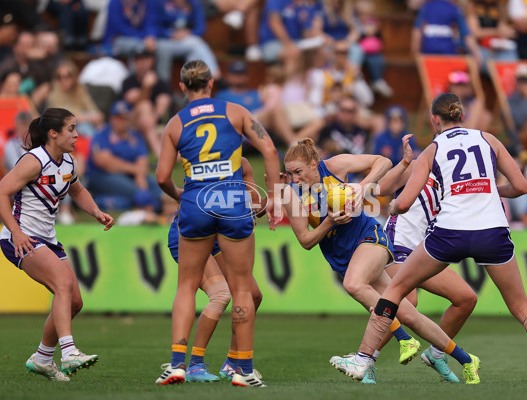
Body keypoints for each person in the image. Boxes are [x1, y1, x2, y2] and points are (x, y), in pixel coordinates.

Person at [340, 92, 527, 384]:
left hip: (450, 233)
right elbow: (522, 186)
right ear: (462, 115)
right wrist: (487, 190)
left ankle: (363, 359)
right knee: (522, 307)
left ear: (433, 120)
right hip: (492, 232)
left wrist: (393, 206)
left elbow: (402, 203)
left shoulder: (432, 150)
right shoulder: (489, 139)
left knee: (396, 290)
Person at [282, 137, 479, 384]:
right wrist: (329, 222)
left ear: (314, 164)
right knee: (407, 311)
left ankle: (401, 341)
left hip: (369, 237)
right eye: (289, 174)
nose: (295, 179)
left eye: (298, 172)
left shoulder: (335, 166)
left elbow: (382, 161)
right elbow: (306, 240)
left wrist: (362, 186)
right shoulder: (291, 195)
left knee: (354, 285)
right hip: (343, 256)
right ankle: (466, 359)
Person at [154, 59, 281, 387]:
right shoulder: (235, 111)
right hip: (232, 201)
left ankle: (178, 363)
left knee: (186, 287)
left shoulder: (175, 124)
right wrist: (277, 197)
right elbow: (268, 147)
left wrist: (180, 194)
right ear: (212, 83)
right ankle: (243, 369)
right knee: (241, 289)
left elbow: (162, 177)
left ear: (182, 87)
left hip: (196, 202)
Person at [0, 107, 115, 381]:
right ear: (53, 133)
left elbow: (77, 189)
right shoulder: (33, 160)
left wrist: (95, 211)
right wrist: (16, 232)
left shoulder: (69, 162)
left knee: (74, 302)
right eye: (71, 129)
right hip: (20, 238)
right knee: (63, 283)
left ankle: (43, 358)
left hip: (47, 239)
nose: (76, 134)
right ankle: (69, 353)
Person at [378, 137, 477, 383]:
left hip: (426, 251)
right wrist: (403, 163)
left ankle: (436, 354)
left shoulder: (453, 182)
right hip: (397, 244)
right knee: (406, 300)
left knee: (465, 298)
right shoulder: (419, 166)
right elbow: (380, 189)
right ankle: (366, 358)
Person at [167, 157, 266, 382]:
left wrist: (275, 193)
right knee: (221, 295)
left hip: (219, 238)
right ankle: (194, 365)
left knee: (253, 295)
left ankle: (232, 363)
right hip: (190, 236)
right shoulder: (204, 161)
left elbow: (258, 209)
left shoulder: (243, 164)